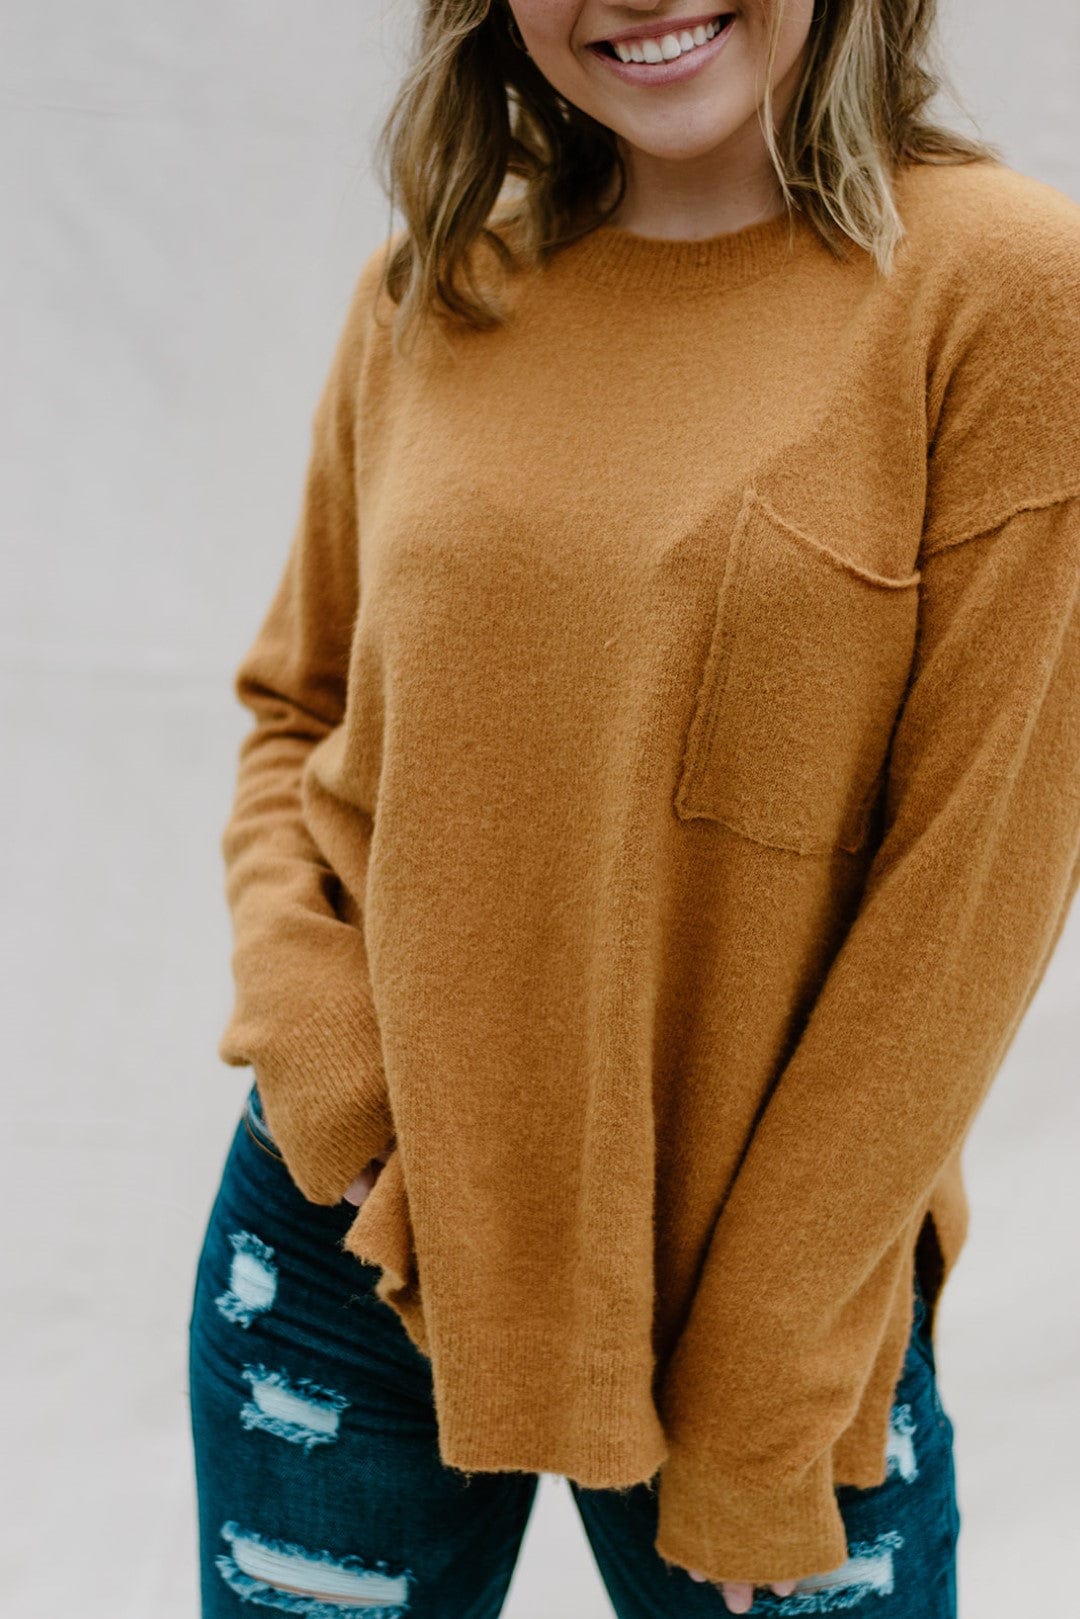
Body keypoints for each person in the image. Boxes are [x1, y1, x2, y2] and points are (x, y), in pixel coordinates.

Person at [187, 2, 1080, 1615]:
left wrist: (762, 1382)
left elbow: (974, 891)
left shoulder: (1004, 288)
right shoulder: (430, 290)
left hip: (757, 1303)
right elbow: (296, 713)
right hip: (347, 1240)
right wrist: (316, 1043)